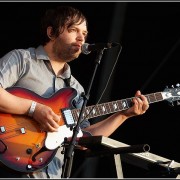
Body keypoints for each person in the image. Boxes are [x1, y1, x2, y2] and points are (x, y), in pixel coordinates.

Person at [0, 5, 149, 178]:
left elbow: (85, 139)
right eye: (73, 30)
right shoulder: (22, 60)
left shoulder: (76, 89)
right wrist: (33, 109)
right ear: (51, 33)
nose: (81, 38)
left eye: (84, 34)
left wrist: (123, 115)